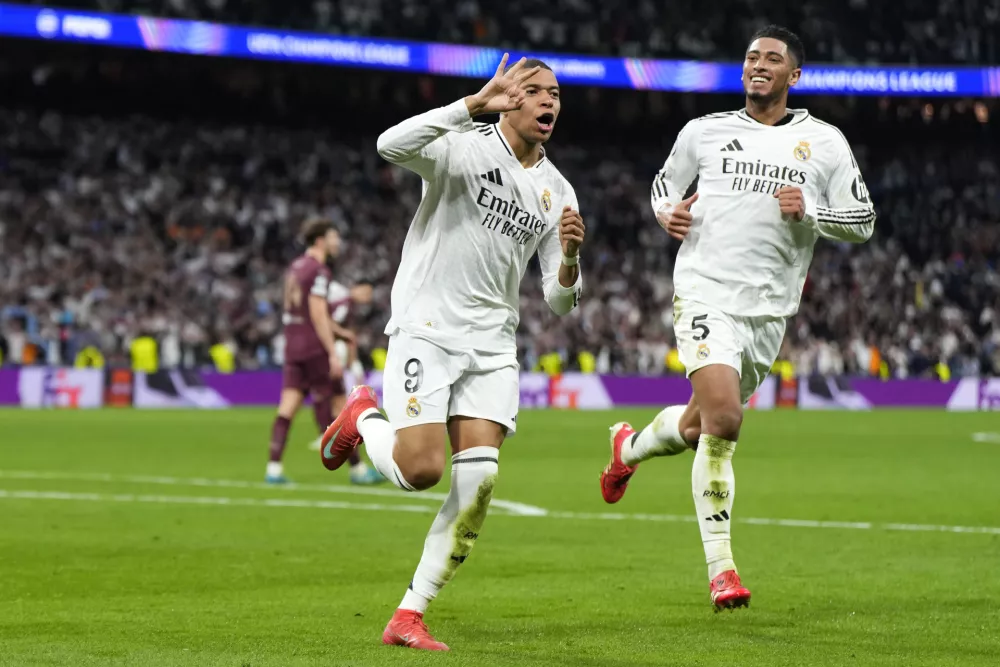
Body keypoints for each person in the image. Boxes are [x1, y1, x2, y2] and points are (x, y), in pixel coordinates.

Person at [599, 25, 875, 610]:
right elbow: (662, 189)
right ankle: (722, 570)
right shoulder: (704, 132)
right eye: (751, 57)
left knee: (702, 422)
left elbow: (864, 220)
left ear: (793, 76)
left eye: (772, 59)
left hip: (770, 310)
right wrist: (666, 214)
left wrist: (814, 211)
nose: (758, 65)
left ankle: (627, 450)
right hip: (704, 290)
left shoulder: (823, 142)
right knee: (724, 420)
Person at [320, 55, 585, 650]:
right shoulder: (460, 145)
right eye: (535, 90)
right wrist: (470, 103)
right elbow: (389, 145)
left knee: (481, 481)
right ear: (509, 97)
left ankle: (409, 613)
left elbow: (561, 303)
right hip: (429, 329)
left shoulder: (557, 190)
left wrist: (569, 258)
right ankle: (361, 416)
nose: (549, 102)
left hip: (492, 346)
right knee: (421, 470)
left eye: (556, 93)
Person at [267, 219, 380, 485]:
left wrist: (341, 334)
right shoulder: (319, 270)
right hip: (314, 345)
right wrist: (332, 351)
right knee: (339, 406)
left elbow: (300, 310)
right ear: (320, 240)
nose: (337, 242)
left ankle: (273, 469)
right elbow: (317, 312)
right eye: (333, 237)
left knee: (287, 407)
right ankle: (357, 470)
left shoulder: (295, 268)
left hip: (292, 344)